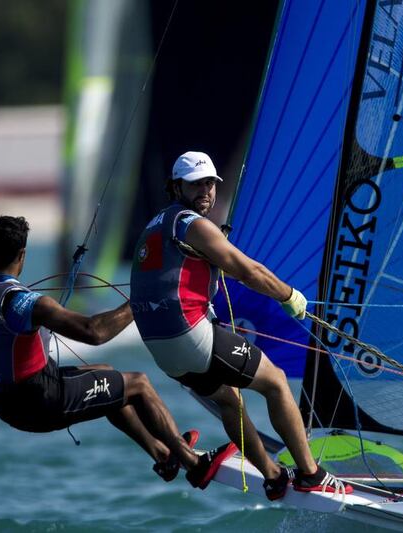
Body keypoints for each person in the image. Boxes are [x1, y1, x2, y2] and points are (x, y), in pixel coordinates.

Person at [0, 215, 230, 487]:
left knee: (109, 377)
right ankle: (194, 465)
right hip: (41, 401)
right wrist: (140, 301)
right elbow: (93, 332)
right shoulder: (25, 303)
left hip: (4, 405)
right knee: (139, 384)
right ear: (22, 255)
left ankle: (163, 453)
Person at [129, 151, 353, 500]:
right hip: (190, 336)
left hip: (163, 351)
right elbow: (248, 271)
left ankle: (274, 475)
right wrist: (289, 295)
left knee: (230, 400)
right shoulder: (193, 224)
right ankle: (311, 473)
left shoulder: (154, 225)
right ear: (176, 187)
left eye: (209, 183)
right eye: (194, 184)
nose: (204, 190)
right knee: (275, 382)